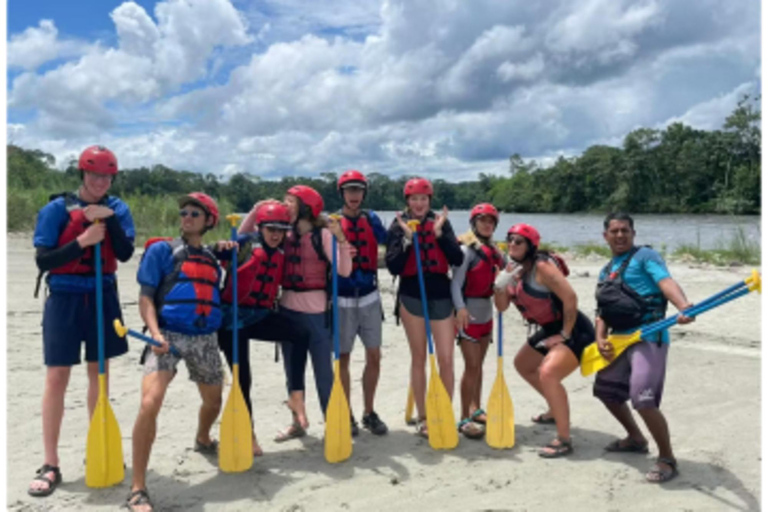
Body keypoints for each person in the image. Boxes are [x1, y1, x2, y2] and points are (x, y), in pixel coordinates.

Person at [29, 145, 135, 498]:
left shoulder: (118, 208)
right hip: (65, 298)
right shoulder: (56, 210)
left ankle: (98, 446)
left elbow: (123, 253)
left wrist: (111, 219)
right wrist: (82, 240)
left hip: (103, 297)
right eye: (94, 174)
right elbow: (44, 260)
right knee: (57, 376)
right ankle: (51, 462)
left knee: (99, 373)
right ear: (82, 174)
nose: (101, 180)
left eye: (107, 175)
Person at [126, 192, 236, 512]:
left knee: (213, 401)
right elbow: (146, 297)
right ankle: (138, 488)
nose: (186, 217)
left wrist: (229, 247)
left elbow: (253, 240)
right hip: (168, 335)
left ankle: (203, 438)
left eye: (194, 214)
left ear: (208, 222)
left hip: (205, 338)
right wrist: (155, 333)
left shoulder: (215, 259)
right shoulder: (162, 250)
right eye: (184, 212)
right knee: (150, 403)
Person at [593, 212, 694, 483]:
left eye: (625, 230)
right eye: (614, 231)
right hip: (620, 340)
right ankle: (636, 439)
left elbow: (666, 283)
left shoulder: (646, 257)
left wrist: (683, 306)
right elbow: (602, 311)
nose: (620, 235)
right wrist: (600, 337)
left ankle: (667, 458)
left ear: (633, 233)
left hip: (650, 335)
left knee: (643, 398)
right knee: (606, 392)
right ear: (605, 236)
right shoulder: (606, 270)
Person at [493, 223, 594, 458]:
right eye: (510, 240)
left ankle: (564, 439)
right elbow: (501, 307)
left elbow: (571, 298)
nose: (513, 245)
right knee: (523, 365)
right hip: (549, 328)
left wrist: (565, 335)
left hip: (575, 329)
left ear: (531, 246)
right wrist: (500, 285)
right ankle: (553, 408)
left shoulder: (542, 267)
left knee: (548, 373)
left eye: (519, 241)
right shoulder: (513, 270)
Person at [217, 199, 308, 455]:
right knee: (243, 377)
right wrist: (220, 248)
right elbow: (207, 254)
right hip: (230, 320)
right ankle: (249, 434)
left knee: (301, 333)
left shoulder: (282, 252)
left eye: (281, 229)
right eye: (271, 229)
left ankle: (296, 394)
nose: (276, 235)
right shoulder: (243, 245)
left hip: (258, 316)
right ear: (261, 228)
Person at [385, 177, 463, 438]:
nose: (419, 203)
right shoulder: (398, 227)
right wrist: (408, 241)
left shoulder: (442, 223)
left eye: (423, 198)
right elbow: (393, 266)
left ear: (429, 200)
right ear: (407, 201)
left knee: (446, 358)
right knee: (419, 357)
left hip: (440, 293)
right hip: (411, 295)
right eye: (414, 199)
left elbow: (457, 257)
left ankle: (443, 412)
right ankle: (423, 416)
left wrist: (439, 235)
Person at [275, 185, 353, 442]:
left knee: (324, 374)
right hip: (287, 312)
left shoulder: (324, 236)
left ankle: (333, 425)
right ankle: (297, 422)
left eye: (290, 202)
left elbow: (344, 271)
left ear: (306, 207)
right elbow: (244, 235)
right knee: (293, 373)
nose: (285, 206)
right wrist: (254, 211)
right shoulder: (282, 234)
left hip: (317, 315)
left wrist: (341, 239)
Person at [335, 170, 389, 436]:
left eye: (358, 190)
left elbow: (390, 242)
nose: (354, 195)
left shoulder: (372, 219)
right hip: (342, 298)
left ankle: (369, 411)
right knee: (343, 357)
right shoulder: (332, 223)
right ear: (342, 194)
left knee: (374, 355)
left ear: (363, 193)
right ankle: (346, 414)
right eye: (349, 191)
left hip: (369, 294)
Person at [450, 203, 504, 439]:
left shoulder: (495, 250)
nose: (487, 224)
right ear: (474, 223)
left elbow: (509, 271)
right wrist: (459, 309)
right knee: (471, 366)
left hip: (486, 313)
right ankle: (463, 417)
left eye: (491, 221)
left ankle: (475, 408)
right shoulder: (466, 251)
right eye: (482, 220)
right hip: (469, 314)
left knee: (478, 367)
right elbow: (455, 284)